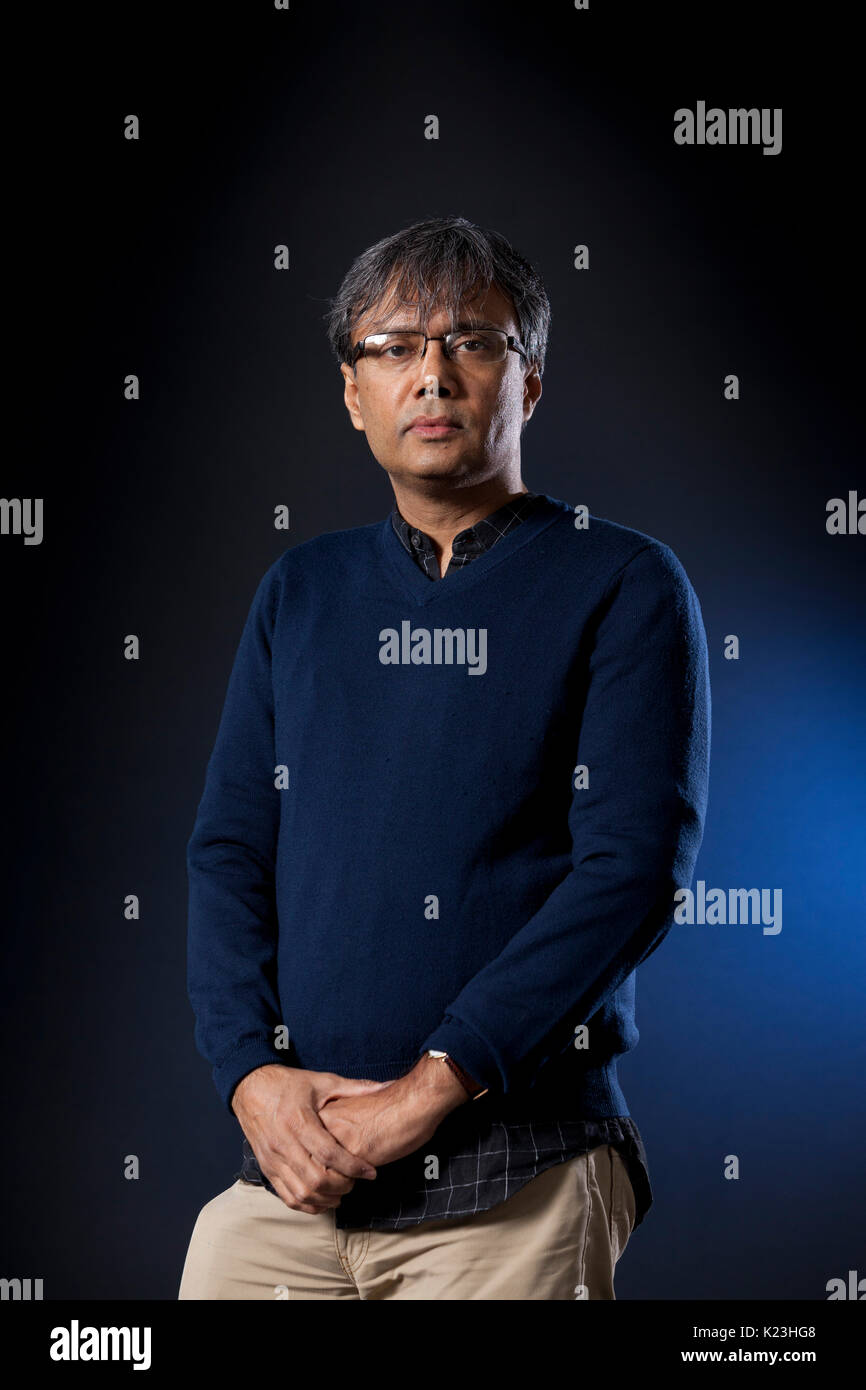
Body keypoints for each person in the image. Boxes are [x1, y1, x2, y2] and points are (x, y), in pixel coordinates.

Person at [178, 215, 711, 1300]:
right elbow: (229, 852)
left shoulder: (620, 583)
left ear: (528, 385)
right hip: (301, 1171)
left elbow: (629, 873)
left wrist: (427, 1090)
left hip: (516, 1175)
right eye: (394, 346)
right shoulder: (301, 592)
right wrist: (249, 1075)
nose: (431, 373)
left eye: (472, 341)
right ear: (351, 391)